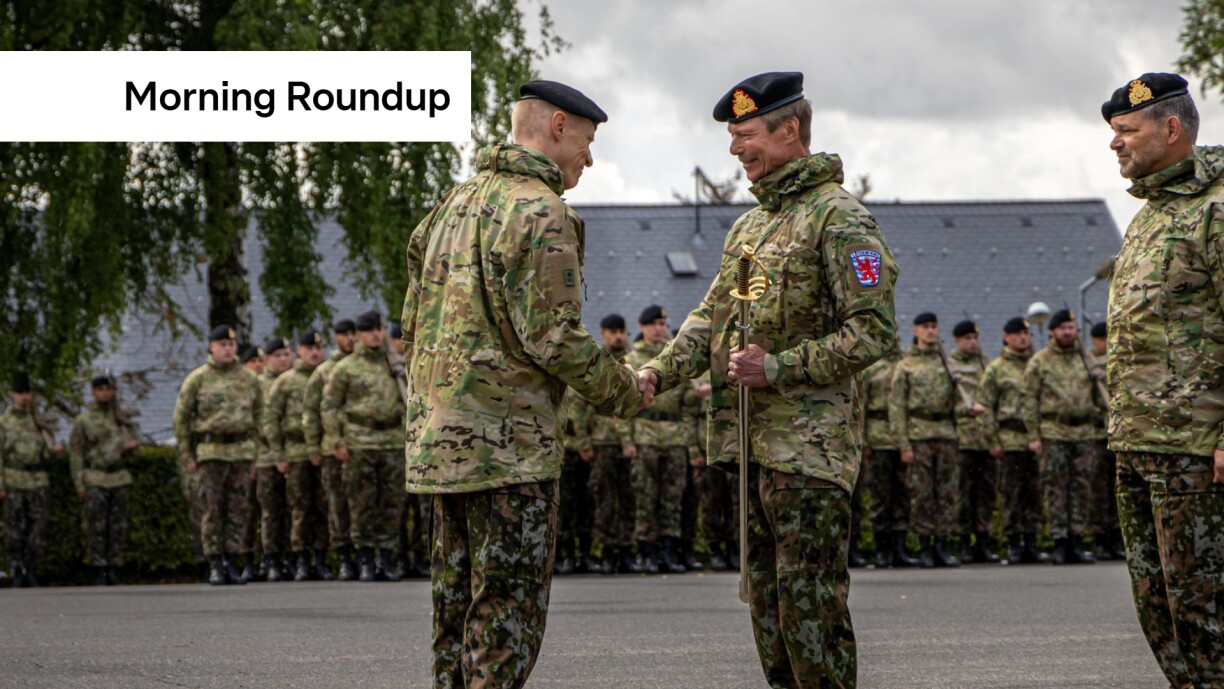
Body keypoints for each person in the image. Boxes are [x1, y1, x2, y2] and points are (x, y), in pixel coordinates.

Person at [638, 71, 896, 689]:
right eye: (732, 136)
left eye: (746, 134)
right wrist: (654, 373)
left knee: (810, 612)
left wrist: (777, 366)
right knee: (768, 610)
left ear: (789, 131)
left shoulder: (840, 218)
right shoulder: (750, 227)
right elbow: (710, 318)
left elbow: (874, 331)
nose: (735, 148)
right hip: (754, 451)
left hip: (809, 454)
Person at [401, 80, 647, 688]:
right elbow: (554, 337)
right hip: (509, 454)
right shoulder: (542, 210)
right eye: (587, 142)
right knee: (504, 625)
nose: (589, 159)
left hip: (442, 448)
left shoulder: (450, 206)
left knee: (454, 620)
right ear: (558, 127)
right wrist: (626, 390)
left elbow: (411, 325)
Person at [1104, 71, 1224, 686]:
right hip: (1139, 446)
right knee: (1162, 615)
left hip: (1195, 453)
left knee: (1207, 619)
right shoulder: (1149, 217)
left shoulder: (1215, 210)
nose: (1115, 142)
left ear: (1171, 128)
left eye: (1127, 130)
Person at [173, 325, 263, 586]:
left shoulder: (249, 379)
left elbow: (260, 416)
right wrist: (187, 455)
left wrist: (256, 452)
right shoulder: (198, 379)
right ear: (211, 347)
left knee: (237, 509)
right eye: (222, 344)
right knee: (212, 509)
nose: (227, 348)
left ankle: (232, 561)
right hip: (211, 452)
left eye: (231, 344)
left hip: (241, 451)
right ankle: (214, 562)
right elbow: (181, 419)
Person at [323, 310, 406, 583]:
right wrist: (336, 441)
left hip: (392, 441)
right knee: (362, 503)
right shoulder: (346, 368)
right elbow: (329, 406)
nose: (376, 335)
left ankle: (386, 558)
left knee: (392, 503)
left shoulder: (395, 364)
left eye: (379, 330)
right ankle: (366, 558)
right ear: (358, 335)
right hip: (360, 442)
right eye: (370, 330)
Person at [1022, 308, 1102, 565]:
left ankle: (1077, 539)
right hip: (1054, 432)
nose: (1068, 332)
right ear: (1052, 331)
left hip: (1084, 432)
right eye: (1063, 328)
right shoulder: (1040, 361)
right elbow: (1029, 400)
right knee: (1055, 488)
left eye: (1071, 328)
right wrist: (1033, 435)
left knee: (1082, 487)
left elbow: (1100, 396)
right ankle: (1059, 541)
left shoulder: (1086, 358)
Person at [626, 304, 701, 574]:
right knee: (645, 497)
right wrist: (627, 440)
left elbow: (689, 407)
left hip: (674, 437)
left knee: (673, 497)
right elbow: (621, 407)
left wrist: (690, 444)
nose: (659, 329)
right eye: (653, 324)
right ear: (642, 327)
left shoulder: (674, 361)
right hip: (644, 435)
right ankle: (645, 551)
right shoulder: (632, 360)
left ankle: (669, 550)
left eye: (662, 324)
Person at [890, 313, 968, 568]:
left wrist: (968, 410)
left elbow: (958, 401)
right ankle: (924, 545)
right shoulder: (906, 365)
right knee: (921, 493)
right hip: (919, 435)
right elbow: (897, 407)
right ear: (916, 331)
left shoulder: (947, 364)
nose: (931, 331)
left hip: (945, 434)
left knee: (947, 492)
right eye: (925, 327)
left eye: (934, 326)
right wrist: (903, 444)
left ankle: (942, 544)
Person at [264, 330, 331, 581]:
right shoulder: (286, 381)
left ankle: (321, 559)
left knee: (324, 507)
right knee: (300, 507)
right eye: (309, 348)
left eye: (318, 348)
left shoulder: (328, 375)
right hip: (296, 453)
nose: (315, 353)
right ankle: (301, 559)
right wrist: (278, 454)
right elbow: (271, 419)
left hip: (324, 451)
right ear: (299, 351)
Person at [980, 318, 1048, 564]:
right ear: (1006, 337)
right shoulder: (997, 368)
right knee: (1011, 493)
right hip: (1010, 439)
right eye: (1017, 333)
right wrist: (992, 439)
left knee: (1034, 493)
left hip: (1035, 439)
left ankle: (1032, 541)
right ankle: (1013, 543)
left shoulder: (1037, 365)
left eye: (1026, 333)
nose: (1023, 337)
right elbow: (985, 406)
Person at [69, 375, 141, 585]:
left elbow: (135, 449)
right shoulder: (84, 420)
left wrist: (131, 448)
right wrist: (79, 482)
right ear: (93, 392)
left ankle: (114, 566)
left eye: (108, 389)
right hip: (96, 476)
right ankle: (99, 566)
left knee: (118, 525)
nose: (105, 393)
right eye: (100, 389)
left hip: (118, 476)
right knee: (96, 524)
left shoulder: (122, 419)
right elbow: (76, 454)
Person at [302, 318, 358, 580]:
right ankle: (344, 556)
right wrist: (314, 447)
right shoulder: (324, 372)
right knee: (337, 505)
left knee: (364, 504)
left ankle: (367, 556)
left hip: (363, 445)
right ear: (336, 338)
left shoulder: (369, 367)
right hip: (332, 450)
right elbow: (311, 412)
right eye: (344, 334)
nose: (350, 338)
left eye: (353, 333)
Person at [0, 374, 65, 588]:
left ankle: (31, 568)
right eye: (20, 393)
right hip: (14, 479)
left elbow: (44, 449)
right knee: (14, 528)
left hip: (37, 480)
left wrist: (53, 451)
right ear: (12, 395)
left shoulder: (38, 420)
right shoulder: (4, 422)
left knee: (38, 527)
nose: (24, 397)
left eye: (27, 392)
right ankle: (17, 568)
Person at [586, 314, 637, 575]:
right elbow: (581, 406)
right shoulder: (597, 362)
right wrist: (584, 442)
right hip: (603, 441)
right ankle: (606, 551)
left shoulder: (632, 361)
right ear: (603, 333)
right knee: (604, 499)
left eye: (621, 331)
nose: (618, 336)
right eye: (612, 331)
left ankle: (627, 550)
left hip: (630, 442)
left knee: (629, 498)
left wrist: (631, 440)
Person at [948, 320, 1000, 564]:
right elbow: (946, 402)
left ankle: (983, 541)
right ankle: (963, 543)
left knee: (986, 495)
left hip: (986, 440)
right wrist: (966, 410)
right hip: (963, 439)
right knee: (963, 494)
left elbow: (993, 402)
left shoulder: (985, 365)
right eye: (967, 338)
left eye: (975, 338)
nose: (972, 342)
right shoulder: (950, 365)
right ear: (957, 340)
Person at [861, 343, 916, 568]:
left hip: (903, 439)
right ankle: (882, 549)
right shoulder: (872, 368)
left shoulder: (906, 365)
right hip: (878, 439)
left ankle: (899, 548)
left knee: (902, 495)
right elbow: (862, 405)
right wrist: (864, 441)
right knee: (880, 495)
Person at [255, 336, 294, 581]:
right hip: (266, 457)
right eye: (277, 356)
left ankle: (291, 557)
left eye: (286, 354)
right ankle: (270, 559)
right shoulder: (257, 385)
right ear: (267, 359)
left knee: (293, 509)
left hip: (294, 455)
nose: (283, 360)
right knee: (270, 511)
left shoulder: (295, 381)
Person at [1087, 321, 1123, 560]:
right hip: (1097, 435)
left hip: (1118, 434)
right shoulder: (1088, 363)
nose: (1105, 343)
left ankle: (1116, 537)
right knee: (1098, 489)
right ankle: (1100, 537)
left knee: (1117, 488)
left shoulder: (1118, 360)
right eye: (1101, 339)